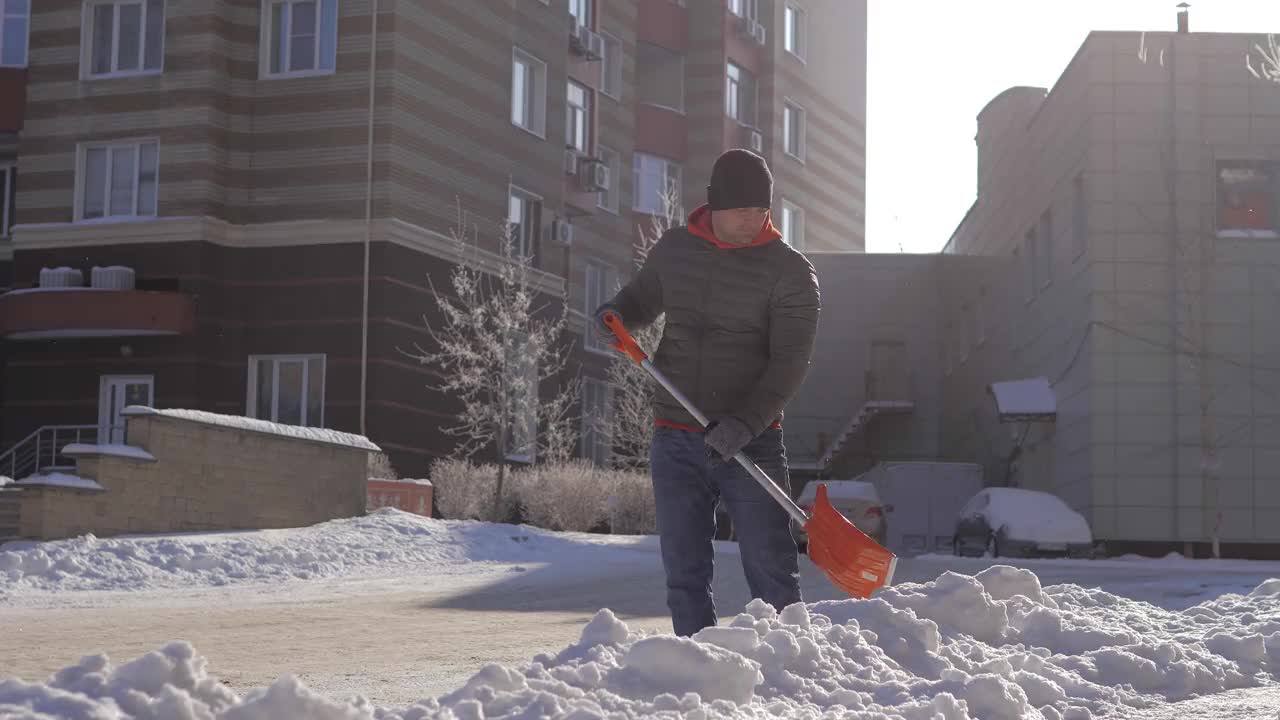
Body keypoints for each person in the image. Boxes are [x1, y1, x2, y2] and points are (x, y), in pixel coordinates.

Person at [593, 148, 821, 637]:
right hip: (676, 435)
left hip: (750, 441)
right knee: (684, 573)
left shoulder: (790, 271)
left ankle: (788, 665)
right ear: (715, 206)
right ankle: (699, 665)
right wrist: (616, 315)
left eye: (761, 211)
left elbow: (790, 364)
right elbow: (638, 300)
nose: (753, 221)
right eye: (742, 211)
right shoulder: (676, 250)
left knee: (771, 570)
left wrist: (743, 424)